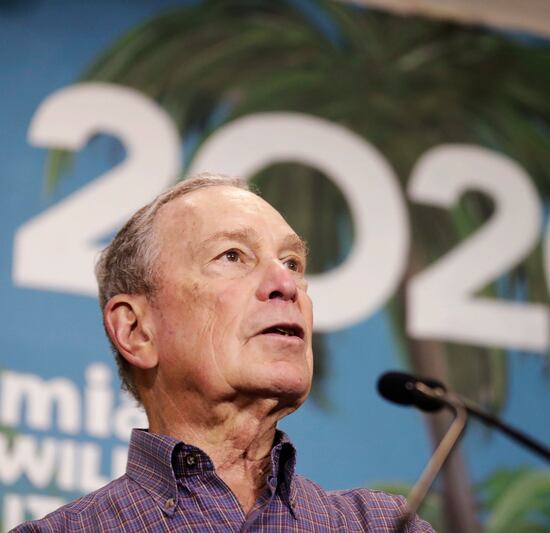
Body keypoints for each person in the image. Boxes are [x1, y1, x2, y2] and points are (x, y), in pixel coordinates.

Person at [13, 174, 434, 532]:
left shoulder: (380, 526)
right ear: (136, 330)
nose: (285, 285)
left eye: (292, 263)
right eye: (232, 255)